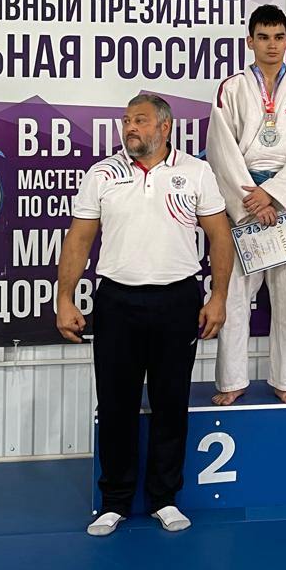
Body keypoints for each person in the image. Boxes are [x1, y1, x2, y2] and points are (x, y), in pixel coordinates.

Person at [56, 94, 233, 537]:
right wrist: (65, 298)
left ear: (165, 127)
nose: (130, 127)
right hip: (117, 301)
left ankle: (164, 499)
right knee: (116, 403)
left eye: (139, 120)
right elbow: (79, 240)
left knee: (171, 402)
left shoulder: (196, 171)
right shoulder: (102, 174)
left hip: (178, 300)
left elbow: (220, 236)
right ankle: (114, 501)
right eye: (126, 120)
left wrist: (218, 297)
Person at [205, 5, 286, 405]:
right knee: (235, 295)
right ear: (250, 42)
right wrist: (252, 201)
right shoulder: (232, 88)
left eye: (278, 37)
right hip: (243, 200)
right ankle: (232, 380)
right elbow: (221, 149)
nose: (271, 45)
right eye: (263, 37)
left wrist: (274, 194)